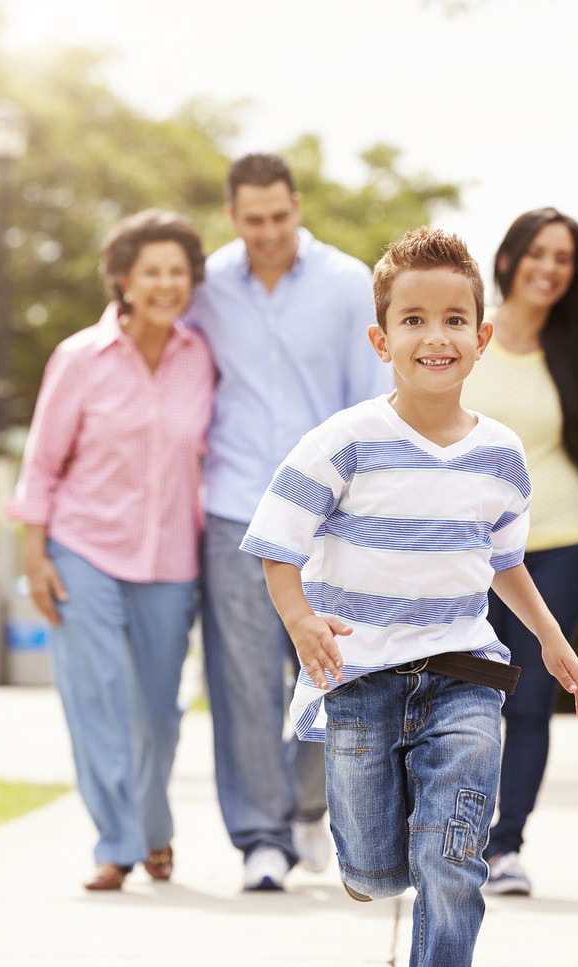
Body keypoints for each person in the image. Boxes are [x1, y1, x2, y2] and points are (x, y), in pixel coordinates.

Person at [244, 229, 578, 967]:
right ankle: (373, 854)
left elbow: (503, 561)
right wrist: (300, 622)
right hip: (360, 676)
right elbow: (275, 544)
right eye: (412, 319)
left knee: (454, 857)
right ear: (381, 338)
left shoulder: (502, 455)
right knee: (373, 868)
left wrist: (549, 638)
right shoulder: (343, 441)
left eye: (453, 319)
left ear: (482, 336)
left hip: (465, 675)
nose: (434, 336)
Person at [186, 152, 391, 891]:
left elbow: (369, 399)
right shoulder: (204, 286)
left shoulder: (346, 283)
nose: (268, 231)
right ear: (233, 216)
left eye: (280, 216)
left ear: (296, 206)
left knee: (325, 669)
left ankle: (308, 805)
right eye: (253, 219)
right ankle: (260, 840)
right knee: (239, 679)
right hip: (232, 506)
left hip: (320, 515)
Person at [7, 209, 214, 892]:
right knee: (96, 697)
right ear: (124, 279)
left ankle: (153, 825)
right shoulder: (78, 358)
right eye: (150, 271)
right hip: (82, 549)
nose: (164, 283)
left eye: (177, 272)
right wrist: (35, 556)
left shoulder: (199, 358)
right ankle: (116, 842)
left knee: (157, 709)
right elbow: (40, 464)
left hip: (170, 559)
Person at [460, 208, 578, 897]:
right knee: (463, 692)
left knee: (531, 693)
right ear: (510, 257)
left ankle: (505, 844)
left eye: (564, 258)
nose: (550, 268)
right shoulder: (468, 335)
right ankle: (451, 833)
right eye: (538, 253)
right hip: (466, 548)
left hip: (560, 539)